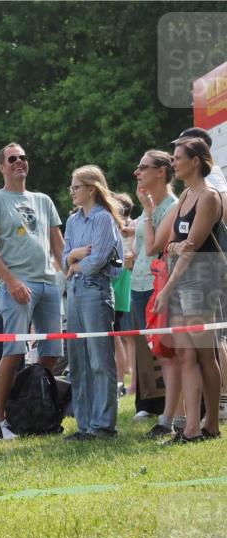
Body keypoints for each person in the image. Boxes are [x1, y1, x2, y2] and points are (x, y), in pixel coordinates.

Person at [0, 143, 65, 439]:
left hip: (48, 284)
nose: (19, 162)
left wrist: (70, 274)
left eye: (23, 158)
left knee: (52, 352)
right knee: (13, 352)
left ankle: (35, 409)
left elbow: (59, 248)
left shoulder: (43, 200)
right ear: (2, 166)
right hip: (15, 285)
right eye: (12, 159)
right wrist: (11, 281)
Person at [151, 138, 225, 442]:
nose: (173, 163)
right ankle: (195, 425)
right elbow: (165, 243)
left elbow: (192, 248)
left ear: (196, 161)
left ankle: (206, 424)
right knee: (185, 353)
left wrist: (166, 289)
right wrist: (175, 247)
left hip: (201, 279)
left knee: (205, 354)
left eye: (178, 157)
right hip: (181, 280)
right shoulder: (185, 195)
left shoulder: (208, 197)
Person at [61, 165, 124, 440]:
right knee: (78, 360)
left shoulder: (103, 219)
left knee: (99, 359)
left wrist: (75, 265)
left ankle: (104, 425)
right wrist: (73, 255)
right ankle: (85, 424)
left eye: (76, 186)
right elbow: (64, 257)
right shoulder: (73, 221)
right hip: (74, 292)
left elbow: (98, 259)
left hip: (95, 290)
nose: (72, 191)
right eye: (71, 187)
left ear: (91, 188)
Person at [133, 150, 180, 433]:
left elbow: (152, 247)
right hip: (139, 286)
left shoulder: (171, 205)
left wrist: (149, 213)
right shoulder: (147, 205)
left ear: (161, 172)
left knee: (166, 354)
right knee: (155, 353)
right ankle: (159, 411)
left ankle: (168, 419)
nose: (137, 173)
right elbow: (141, 247)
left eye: (143, 167)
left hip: (157, 287)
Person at [111, 192, 136, 395]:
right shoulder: (126, 226)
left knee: (117, 336)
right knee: (121, 336)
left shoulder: (127, 227)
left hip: (121, 282)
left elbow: (122, 259)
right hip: (122, 281)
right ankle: (122, 380)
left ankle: (120, 382)